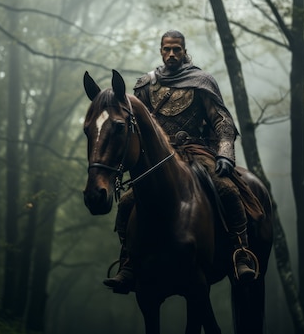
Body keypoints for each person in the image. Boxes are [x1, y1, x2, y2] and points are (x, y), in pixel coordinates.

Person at [103, 30, 257, 293]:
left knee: (227, 190)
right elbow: (133, 126)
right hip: (157, 159)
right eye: (167, 49)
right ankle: (128, 262)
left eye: (177, 49)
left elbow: (221, 120)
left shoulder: (201, 81)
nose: (172, 54)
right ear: (161, 51)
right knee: (128, 201)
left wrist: (225, 152)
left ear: (184, 51)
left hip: (195, 151)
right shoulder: (145, 85)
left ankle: (240, 252)